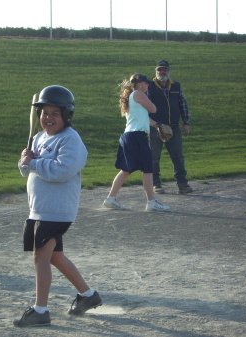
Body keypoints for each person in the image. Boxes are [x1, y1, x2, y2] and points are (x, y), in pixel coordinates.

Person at [15, 85, 102, 327]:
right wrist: (25, 160)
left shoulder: (71, 140)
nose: (48, 118)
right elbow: (27, 168)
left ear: (66, 115)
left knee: (40, 257)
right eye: (44, 113)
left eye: (55, 113)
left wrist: (33, 164)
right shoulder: (39, 137)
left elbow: (62, 171)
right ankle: (88, 295)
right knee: (54, 256)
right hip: (40, 208)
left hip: (56, 209)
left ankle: (40, 310)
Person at [103, 74, 170, 211]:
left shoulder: (132, 97)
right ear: (139, 84)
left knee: (126, 170)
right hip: (136, 137)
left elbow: (144, 118)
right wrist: (149, 100)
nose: (148, 85)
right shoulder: (139, 93)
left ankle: (110, 199)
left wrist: (157, 125)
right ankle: (151, 202)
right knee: (148, 169)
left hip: (129, 136)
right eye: (146, 83)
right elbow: (153, 109)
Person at [147, 60, 193, 194]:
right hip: (156, 127)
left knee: (178, 156)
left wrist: (186, 122)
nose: (162, 72)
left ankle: (182, 184)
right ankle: (156, 184)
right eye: (160, 69)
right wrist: (154, 124)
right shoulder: (150, 86)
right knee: (154, 157)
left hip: (173, 127)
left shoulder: (176, 86)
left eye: (165, 69)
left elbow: (182, 104)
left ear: (169, 71)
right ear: (156, 71)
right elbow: (146, 107)